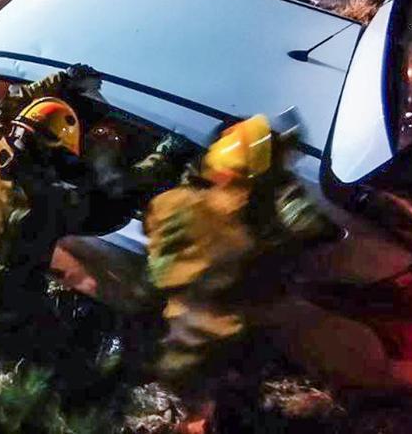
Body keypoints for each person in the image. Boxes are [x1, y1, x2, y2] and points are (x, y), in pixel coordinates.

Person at [143, 114, 334, 433]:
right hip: (217, 331)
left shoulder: (175, 203)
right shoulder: (244, 229)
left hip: (199, 330)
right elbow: (311, 230)